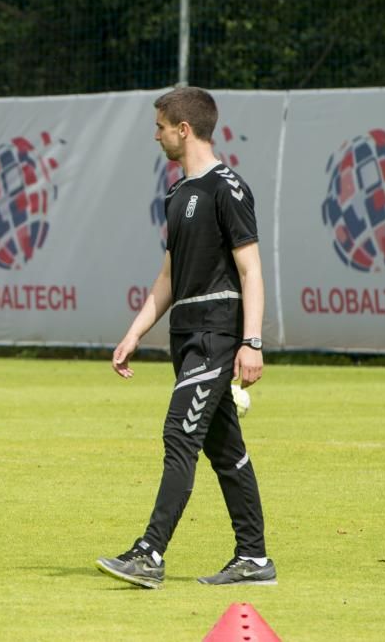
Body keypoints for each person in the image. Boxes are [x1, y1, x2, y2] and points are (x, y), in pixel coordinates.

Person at [95, 87, 274, 588]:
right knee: (224, 450)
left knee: (179, 434)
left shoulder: (228, 188)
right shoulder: (175, 195)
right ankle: (255, 560)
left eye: (160, 126)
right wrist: (133, 334)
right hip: (185, 337)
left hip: (218, 335)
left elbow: (251, 269)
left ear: (184, 129)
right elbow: (168, 278)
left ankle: (149, 553)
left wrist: (252, 342)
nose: (155, 135)